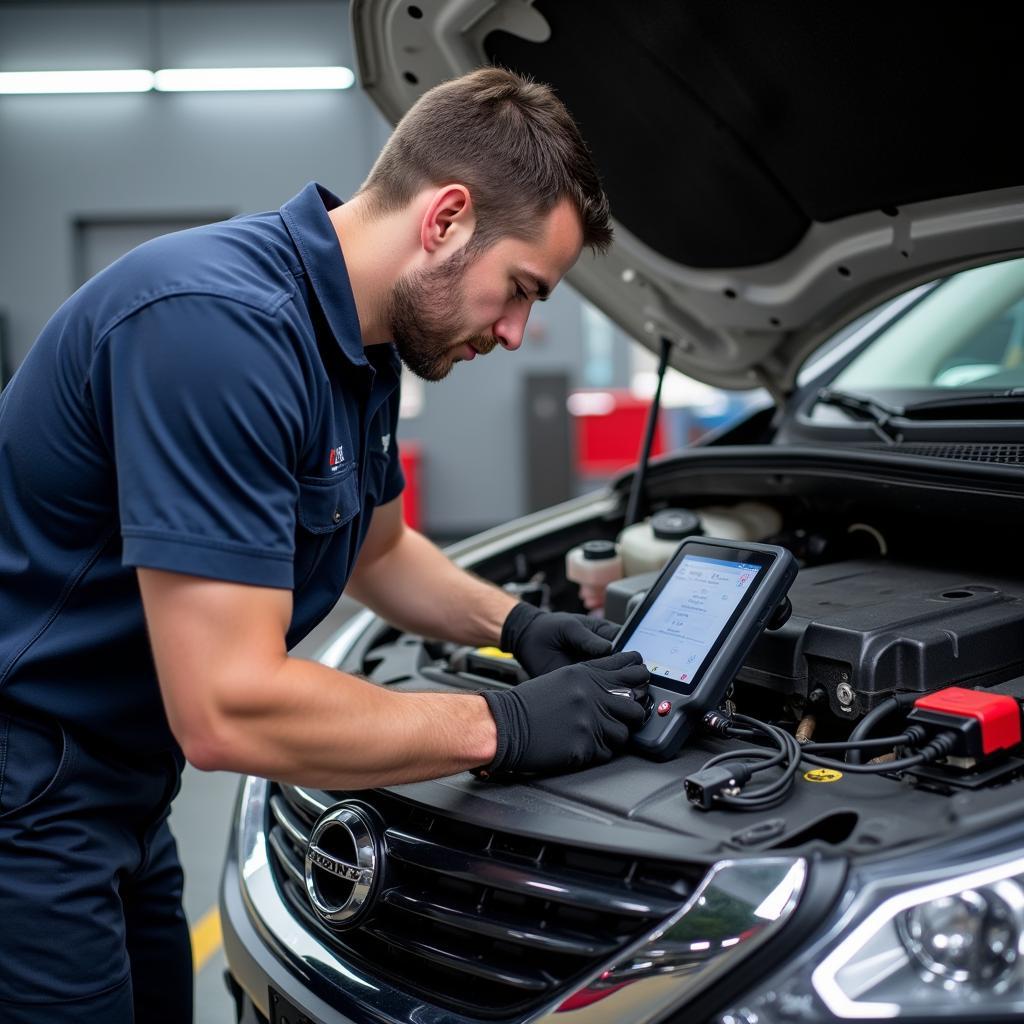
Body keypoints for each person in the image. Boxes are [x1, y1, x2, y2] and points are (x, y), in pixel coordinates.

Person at [0, 67, 649, 1022]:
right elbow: (229, 710)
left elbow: (378, 551)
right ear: (446, 219)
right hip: (30, 790)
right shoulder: (220, 332)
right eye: (520, 290)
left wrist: (518, 625)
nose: (516, 332)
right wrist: (503, 726)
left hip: (126, 784)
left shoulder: (363, 340)